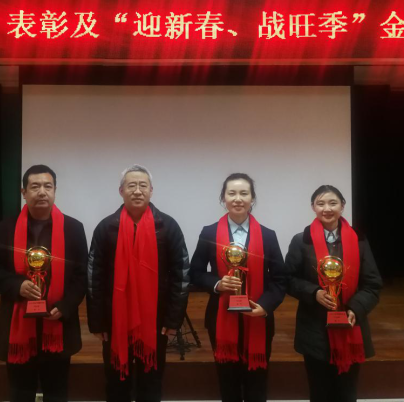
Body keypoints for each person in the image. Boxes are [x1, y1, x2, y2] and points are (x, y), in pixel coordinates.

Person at [0, 164, 88, 402]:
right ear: (24, 192)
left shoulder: (73, 229)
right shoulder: (3, 230)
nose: (42, 192)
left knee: (57, 392)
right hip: (16, 323)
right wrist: (16, 286)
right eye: (35, 186)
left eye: (48, 186)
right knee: (20, 392)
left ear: (55, 190)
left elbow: (81, 275)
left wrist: (66, 305)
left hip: (58, 323)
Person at [87, 164, 190, 402]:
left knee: (151, 380)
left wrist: (173, 320)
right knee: (116, 380)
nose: (137, 190)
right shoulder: (106, 227)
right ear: (121, 191)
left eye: (143, 185)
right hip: (115, 318)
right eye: (131, 185)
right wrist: (97, 321)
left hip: (155, 319)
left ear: (151, 191)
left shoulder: (168, 226)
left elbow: (181, 275)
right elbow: (94, 277)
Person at [190, 173, 286, 402]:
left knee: (257, 382)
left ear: (252, 198)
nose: (238, 198)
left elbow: (280, 279)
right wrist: (217, 284)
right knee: (228, 382)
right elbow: (195, 272)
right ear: (223, 198)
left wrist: (265, 306)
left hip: (258, 316)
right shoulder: (209, 232)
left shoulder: (268, 235)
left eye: (244, 193)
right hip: (221, 316)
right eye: (231, 193)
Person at [284, 185, 382, 402]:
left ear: (342, 206)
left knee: (347, 393)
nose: (327, 208)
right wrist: (314, 293)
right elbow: (288, 279)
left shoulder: (359, 240)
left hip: (350, 326)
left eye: (333, 203)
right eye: (320, 203)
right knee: (319, 392)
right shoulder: (301, 240)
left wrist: (356, 308)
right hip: (314, 328)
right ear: (313, 207)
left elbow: (373, 284)